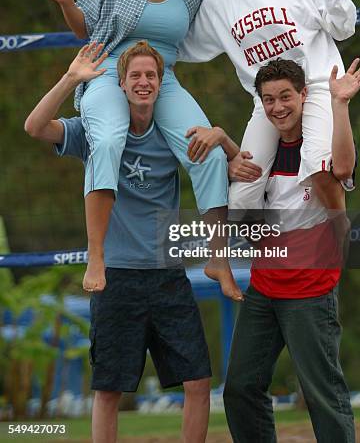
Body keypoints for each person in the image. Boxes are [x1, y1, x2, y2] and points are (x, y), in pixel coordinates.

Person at [31, 0, 267, 300]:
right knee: (106, 141)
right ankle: (97, 254)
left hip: (162, 75)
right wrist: (66, 1)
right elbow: (82, 29)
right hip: (108, 69)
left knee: (207, 151)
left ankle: (218, 260)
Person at [24, 41, 240, 443]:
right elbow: (34, 127)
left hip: (168, 276)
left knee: (198, 381)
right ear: (120, 84)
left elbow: (233, 169)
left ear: (161, 84)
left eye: (151, 75)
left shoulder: (177, 135)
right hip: (116, 277)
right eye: (136, 76)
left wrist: (223, 139)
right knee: (109, 389)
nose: (144, 82)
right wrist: (70, 78)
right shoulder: (96, 132)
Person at [221, 57, 360, 443]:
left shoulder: (319, 145)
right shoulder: (263, 151)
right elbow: (245, 203)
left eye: (285, 96)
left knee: (323, 396)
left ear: (304, 95)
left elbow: (341, 168)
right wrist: (223, 144)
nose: (278, 107)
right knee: (239, 388)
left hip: (309, 290)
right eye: (268, 100)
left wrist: (340, 105)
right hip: (264, 289)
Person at [178, 0, 357, 221]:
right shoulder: (218, 1)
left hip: (314, 88)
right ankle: (272, 257)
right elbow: (184, 46)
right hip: (267, 103)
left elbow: (342, 28)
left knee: (318, 167)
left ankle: (340, 240)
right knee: (242, 199)